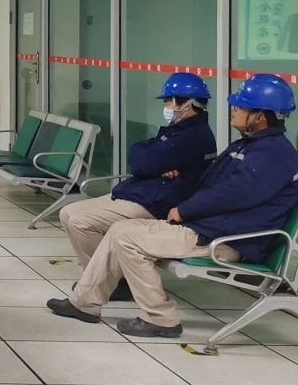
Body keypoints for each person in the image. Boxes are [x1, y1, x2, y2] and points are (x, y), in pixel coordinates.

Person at [48, 73, 298, 338]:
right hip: (211, 228)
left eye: (241, 106)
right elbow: (210, 182)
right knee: (122, 230)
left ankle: (161, 319)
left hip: (225, 238)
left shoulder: (273, 154)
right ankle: (84, 303)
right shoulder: (250, 147)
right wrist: (183, 178)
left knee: (126, 236)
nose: (233, 109)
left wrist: (184, 210)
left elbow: (233, 194)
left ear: (260, 116)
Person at [59, 72, 218, 301]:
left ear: (186, 103)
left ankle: (108, 282)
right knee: (68, 213)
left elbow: (141, 164)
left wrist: (151, 162)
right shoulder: (179, 129)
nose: (166, 106)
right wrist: (153, 163)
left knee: (79, 220)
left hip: (154, 203)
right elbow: (138, 152)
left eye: (168, 101)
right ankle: (108, 279)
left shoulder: (192, 136)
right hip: (143, 193)